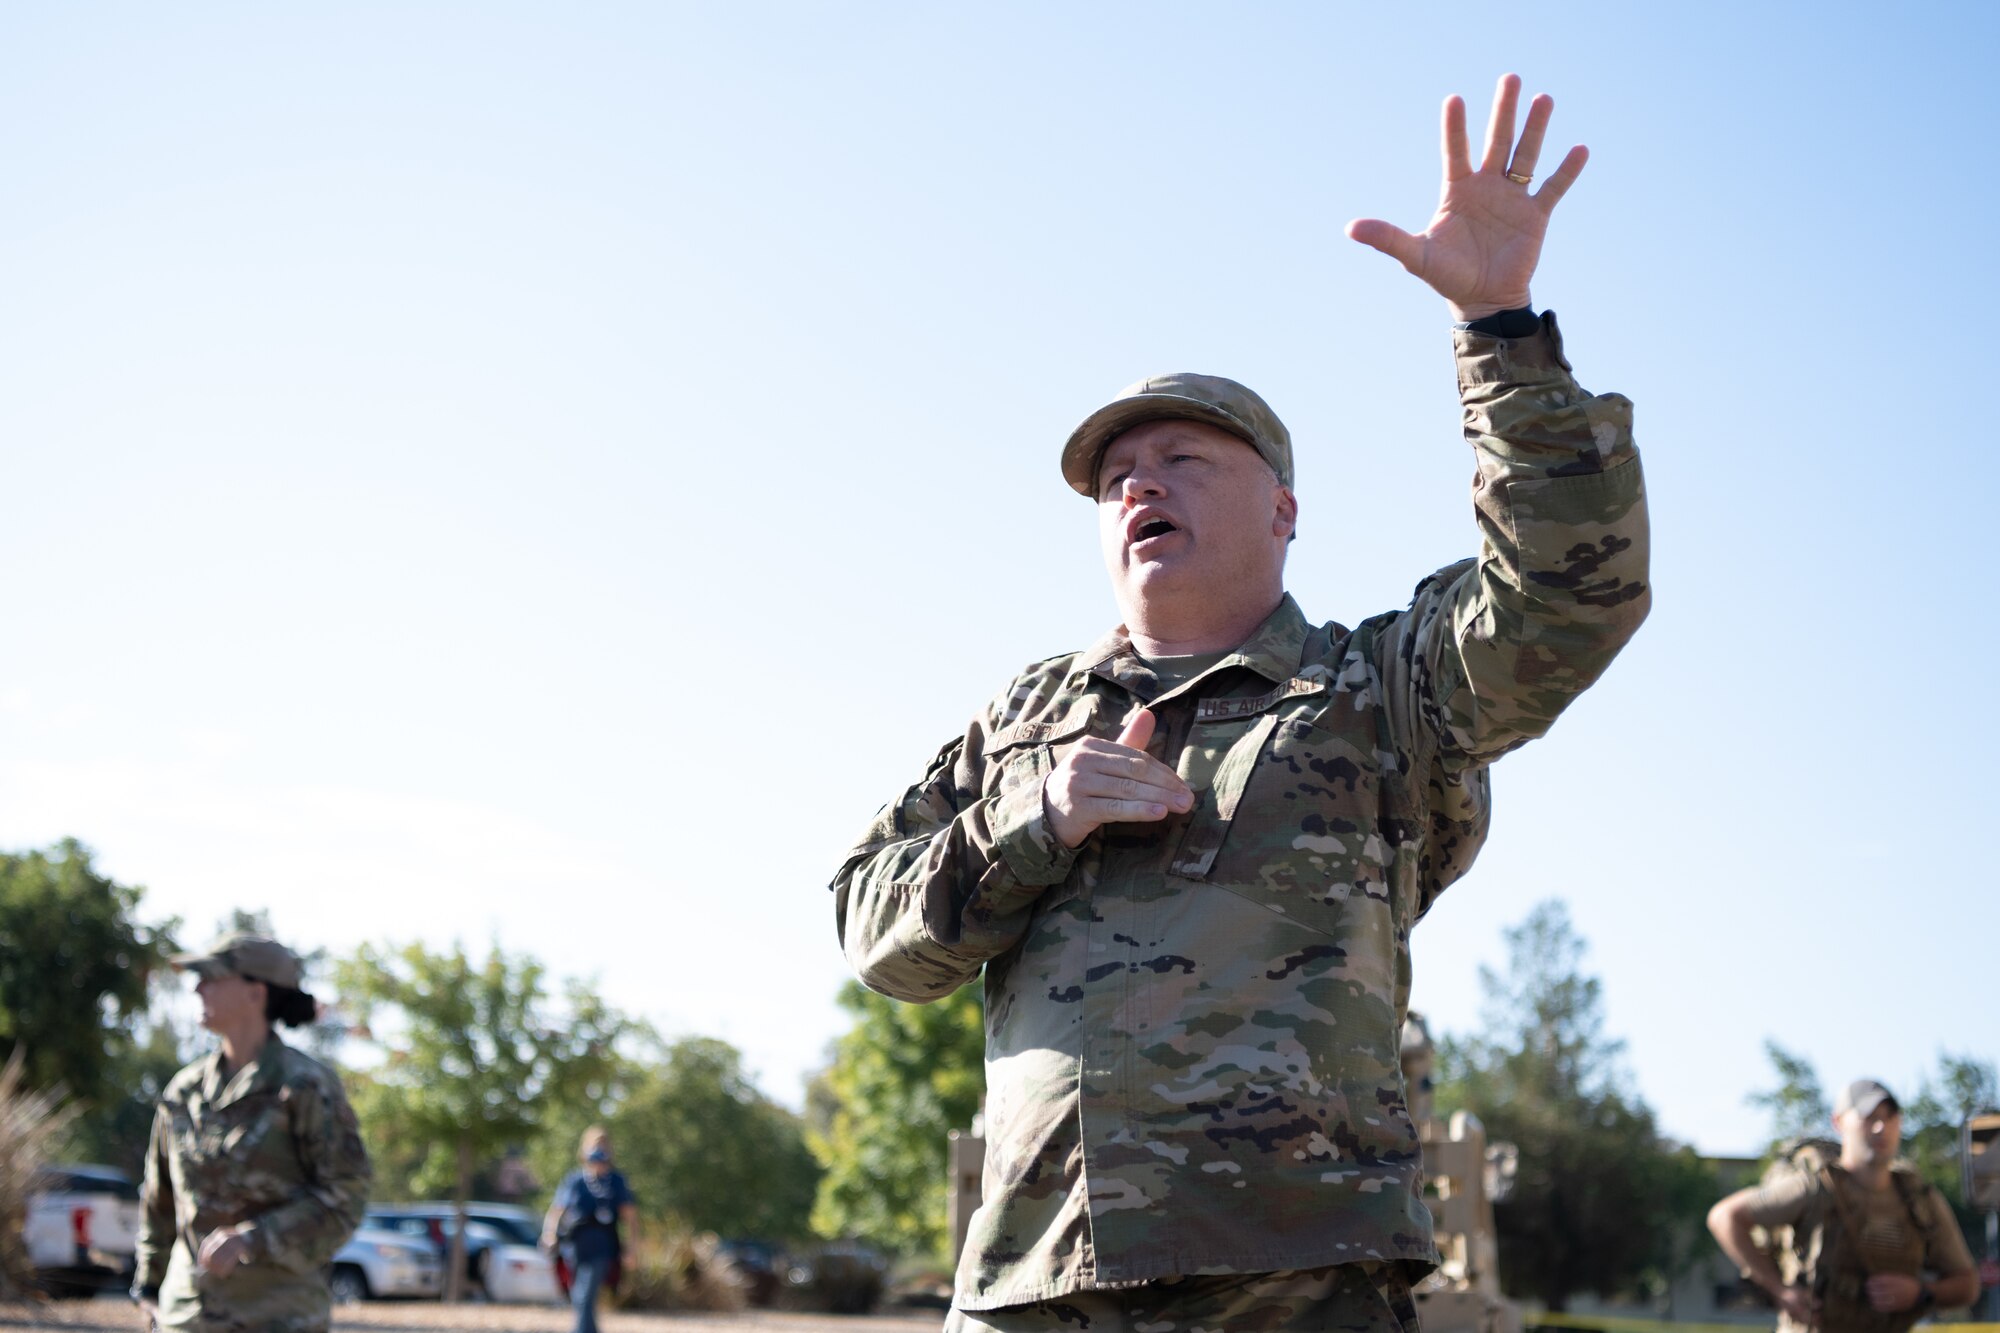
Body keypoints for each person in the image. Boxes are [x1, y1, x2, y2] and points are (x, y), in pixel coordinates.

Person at [831, 74, 1650, 1332]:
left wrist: (1498, 327)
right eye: (1114, 475)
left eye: (1181, 458)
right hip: (1038, 1281)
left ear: (1281, 510)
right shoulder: (1024, 717)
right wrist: (1031, 824)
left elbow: (1565, 596)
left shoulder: (1379, 685)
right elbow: (871, 933)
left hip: (1299, 1279)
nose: (1136, 485)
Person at [132, 931, 371, 1332]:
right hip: (186, 1316)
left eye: (211, 977)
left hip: (278, 1317)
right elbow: (160, 1199)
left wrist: (253, 1239)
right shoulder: (184, 1091)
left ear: (255, 993)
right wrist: (149, 1288)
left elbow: (346, 1197)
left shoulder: (305, 1087)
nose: (198, 988)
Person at [1708, 1079, 1981, 1333]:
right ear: (1838, 1122)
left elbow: (1967, 1284)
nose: (1880, 1127)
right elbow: (1724, 1217)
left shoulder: (1918, 1198)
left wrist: (1921, 1291)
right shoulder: (1815, 1188)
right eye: (1869, 1117)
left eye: (1889, 1117)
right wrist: (1781, 1291)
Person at [542, 1125, 638, 1333]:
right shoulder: (576, 1180)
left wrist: (631, 1247)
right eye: (594, 1145)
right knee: (579, 1296)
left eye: (602, 1145)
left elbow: (630, 1217)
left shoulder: (616, 1181)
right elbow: (557, 1209)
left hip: (603, 1246)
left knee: (585, 1295)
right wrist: (548, 1233)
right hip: (576, 1246)